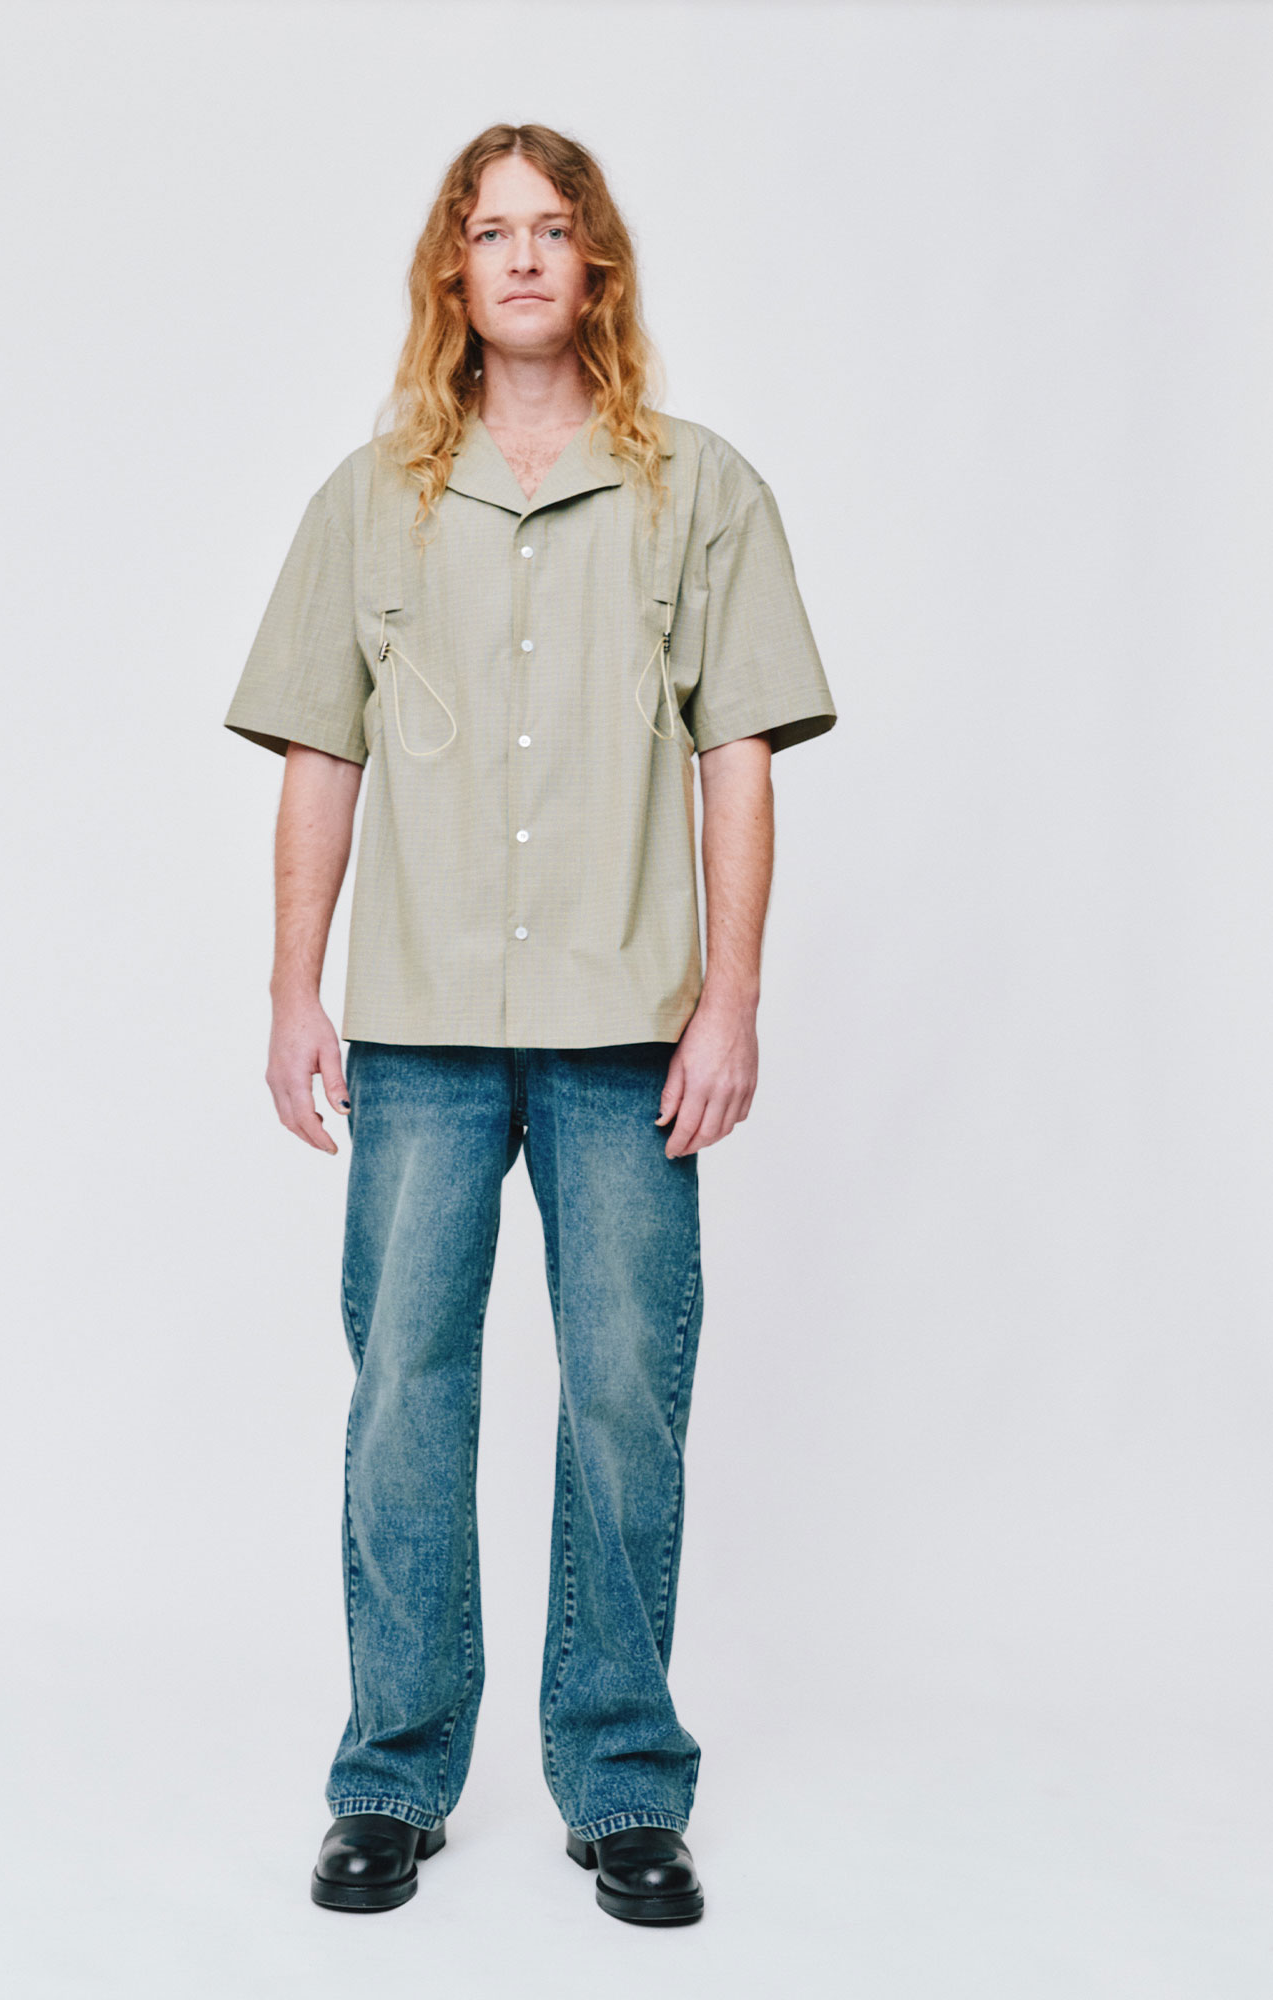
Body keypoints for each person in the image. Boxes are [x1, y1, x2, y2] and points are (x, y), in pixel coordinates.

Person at [222, 122, 836, 1926]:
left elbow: (739, 756)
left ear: (595, 265)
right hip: (418, 1024)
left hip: (627, 1021)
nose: (520, 256)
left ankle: (625, 1783)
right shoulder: (370, 499)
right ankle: (392, 1777)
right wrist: (293, 988)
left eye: (551, 229)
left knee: (629, 1397)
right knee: (404, 1397)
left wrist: (731, 1001)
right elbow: (319, 753)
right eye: (490, 230)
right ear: (454, 269)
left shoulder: (701, 489)